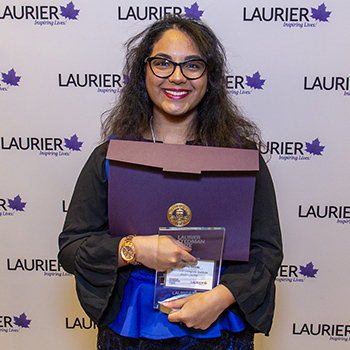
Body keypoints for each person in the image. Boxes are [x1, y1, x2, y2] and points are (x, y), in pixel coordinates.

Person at [58, 15, 283, 350]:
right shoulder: (111, 158)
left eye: (192, 65)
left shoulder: (241, 160)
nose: (177, 77)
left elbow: (267, 250)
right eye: (162, 63)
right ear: (143, 72)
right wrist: (134, 248)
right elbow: (72, 249)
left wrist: (220, 298)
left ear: (210, 77)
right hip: (130, 330)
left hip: (220, 329)